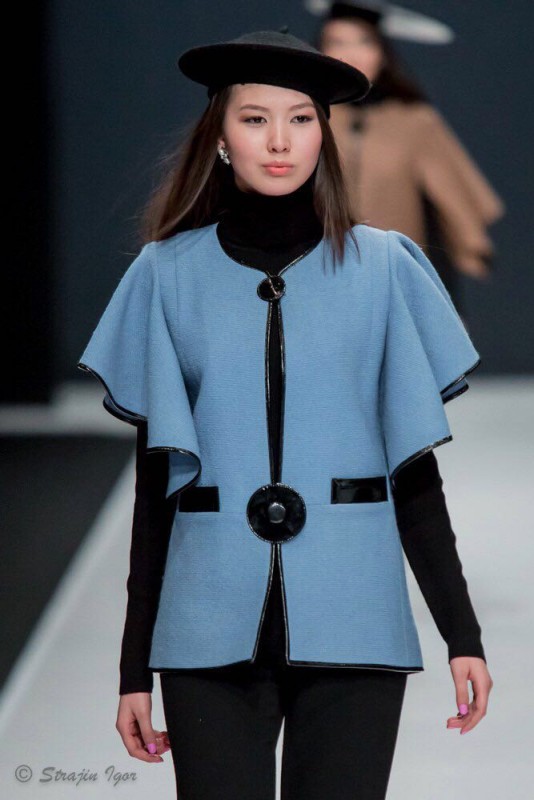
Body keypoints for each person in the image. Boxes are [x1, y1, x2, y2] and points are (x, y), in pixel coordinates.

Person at [77, 29, 493, 800]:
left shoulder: (384, 270)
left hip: (355, 617)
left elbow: (414, 473)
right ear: (221, 138)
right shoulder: (166, 276)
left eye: (301, 119)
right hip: (207, 626)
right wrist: (134, 669)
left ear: (322, 135)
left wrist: (461, 635)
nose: (279, 141)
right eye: (255, 119)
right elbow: (156, 488)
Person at [308, 0, 505, 316]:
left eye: (364, 41)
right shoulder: (307, 114)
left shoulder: (414, 120)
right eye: (338, 42)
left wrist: (471, 243)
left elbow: (450, 190)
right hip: (319, 266)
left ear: (382, 52)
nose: (351, 53)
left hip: (395, 267)